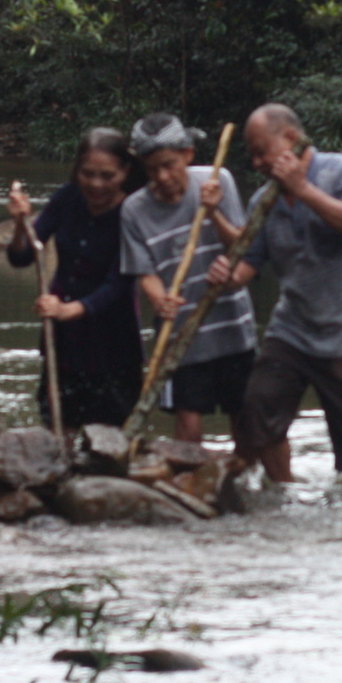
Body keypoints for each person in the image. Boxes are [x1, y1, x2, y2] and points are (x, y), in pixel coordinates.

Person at [207, 104, 342, 483]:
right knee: (258, 413)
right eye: (252, 154)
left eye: (263, 151)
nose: (257, 161)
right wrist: (225, 274)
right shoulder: (265, 200)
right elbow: (247, 267)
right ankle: (282, 493)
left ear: (291, 138)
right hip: (294, 331)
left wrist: (302, 189)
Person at [121, 114, 252, 443]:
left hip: (232, 325)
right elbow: (145, 271)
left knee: (247, 417)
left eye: (169, 165)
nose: (162, 177)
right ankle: (190, 487)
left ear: (188, 155)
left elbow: (242, 247)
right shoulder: (133, 210)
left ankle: (248, 485)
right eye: (152, 170)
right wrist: (158, 299)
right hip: (181, 331)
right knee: (188, 418)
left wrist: (214, 212)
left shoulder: (217, 180)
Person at [6, 129, 141, 430]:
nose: (95, 184)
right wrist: (19, 224)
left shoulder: (132, 211)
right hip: (63, 337)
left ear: (125, 172)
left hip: (112, 339)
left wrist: (70, 310)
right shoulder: (68, 198)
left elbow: (119, 283)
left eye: (107, 176)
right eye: (87, 174)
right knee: (57, 424)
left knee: (108, 432)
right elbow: (22, 257)